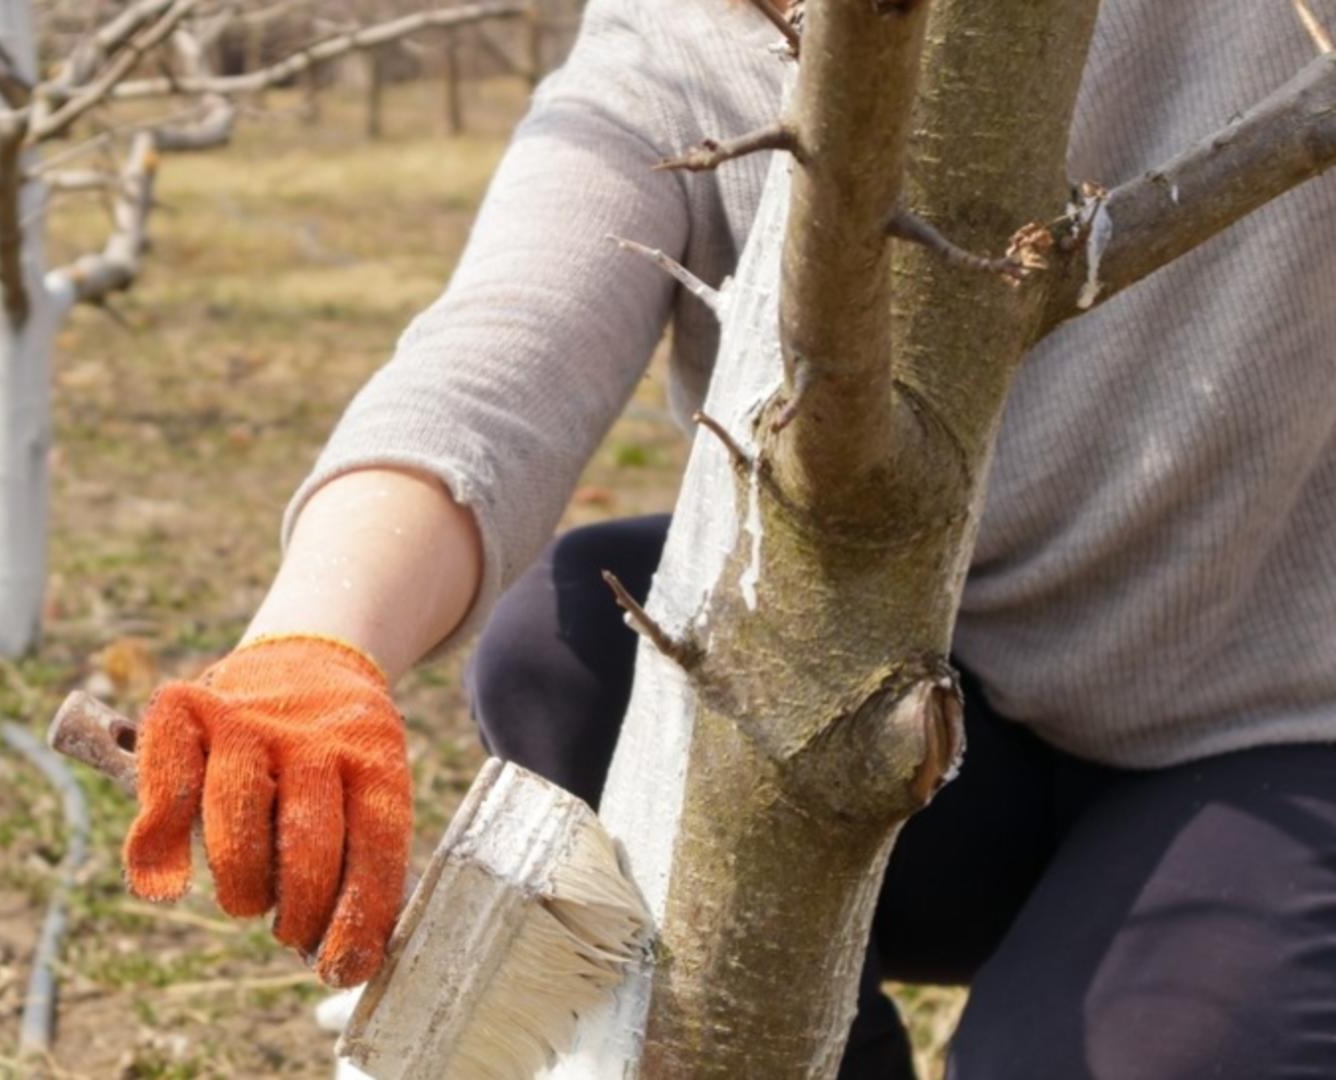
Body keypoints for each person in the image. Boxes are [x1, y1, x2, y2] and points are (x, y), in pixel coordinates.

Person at [118, 0, 1336, 1075]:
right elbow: (493, 363)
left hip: (1277, 736)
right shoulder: (679, 38)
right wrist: (312, 649)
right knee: (572, 644)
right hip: (944, 732)